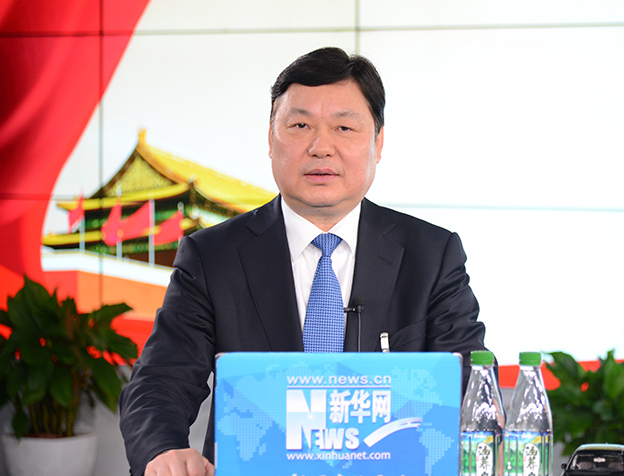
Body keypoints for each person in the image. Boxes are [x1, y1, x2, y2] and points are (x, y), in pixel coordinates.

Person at [118, 46, 487, 476]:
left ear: (378, 142)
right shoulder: (211, 257)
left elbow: (469, 385)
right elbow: (160, 382)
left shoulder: (432, 255)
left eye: (344, 127)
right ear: (270, 139)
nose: (320, 147)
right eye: (299, 125)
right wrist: (162, 451)